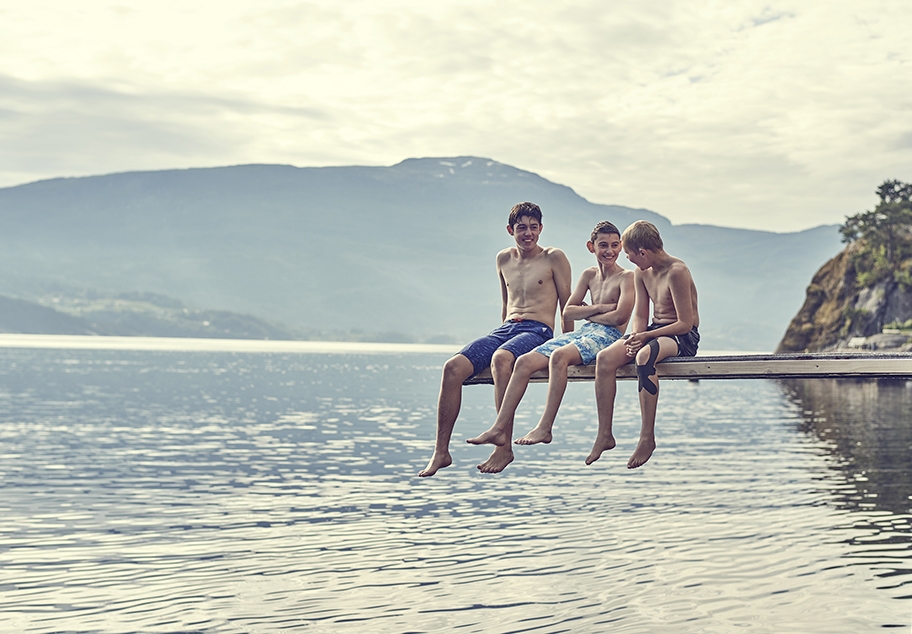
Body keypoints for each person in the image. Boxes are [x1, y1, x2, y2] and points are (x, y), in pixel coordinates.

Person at [418, 202, 573, 477]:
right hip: (504, 329)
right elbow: (506, 304)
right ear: (510, 230)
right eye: (521, 228)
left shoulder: (553, 257)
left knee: (502, 359)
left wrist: (569, 344)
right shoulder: (503, 258)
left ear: (541, 229)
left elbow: (567, 304)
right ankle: (441, 452)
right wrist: (500, 333)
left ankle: (503, 446)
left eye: (533, 228)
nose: (528, 233)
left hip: (537, 330)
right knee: (452, 368)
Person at [465, 221, 634, 470]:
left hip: (608, 336)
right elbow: (568, 310)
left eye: (614, 245)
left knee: (559, 357)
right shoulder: (589, 275)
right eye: (603, 245)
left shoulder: (627, 277)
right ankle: (500, 428)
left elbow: (620, 318)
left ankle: (545, 426)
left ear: (620, 246)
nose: (609, 251)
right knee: (523, 361)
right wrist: (596, 309)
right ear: (591, 247)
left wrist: (585, 312)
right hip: (586, 332)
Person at [587, 220, 699, 469]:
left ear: (643, 252)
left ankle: (647, 437)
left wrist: (645, 340)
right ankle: (604, 434)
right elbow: (640, 316)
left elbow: (685, 323)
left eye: (629, 254)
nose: (627, 259)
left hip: (682, 337)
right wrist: (635, 337)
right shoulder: (642, 273)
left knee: (644, 358)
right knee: (605, 358)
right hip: (653, 332)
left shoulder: (677, 271)